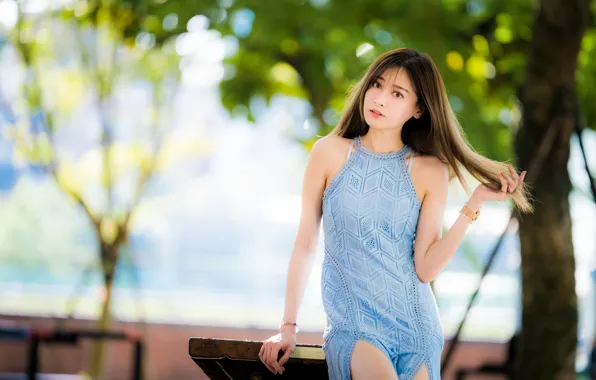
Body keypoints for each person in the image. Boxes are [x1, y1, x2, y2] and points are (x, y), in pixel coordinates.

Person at [258, 47, 531, 380]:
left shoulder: (430, 171)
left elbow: (426, 268)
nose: (380, 99)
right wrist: (288, 326)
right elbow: (305, 244)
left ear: (418, 109)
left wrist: (472, 206)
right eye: (377, 84)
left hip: (416, 328)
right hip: (355, 327)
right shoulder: (329, 153)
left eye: (397, 93)